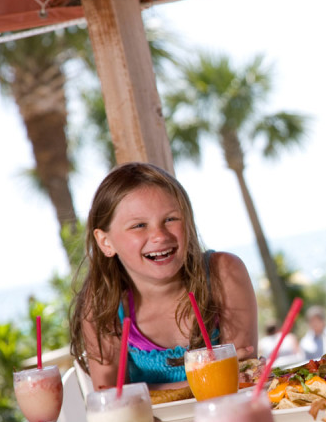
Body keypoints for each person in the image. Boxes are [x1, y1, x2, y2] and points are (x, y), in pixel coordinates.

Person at [69, 162, 258, 390]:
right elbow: (110, 398)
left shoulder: (223, 273)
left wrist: (151, 391)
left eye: (170, 219)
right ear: (105, 242)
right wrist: (207, 379)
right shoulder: (103, 305)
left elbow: (242, 380)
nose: (159, 235)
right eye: (139, 225)